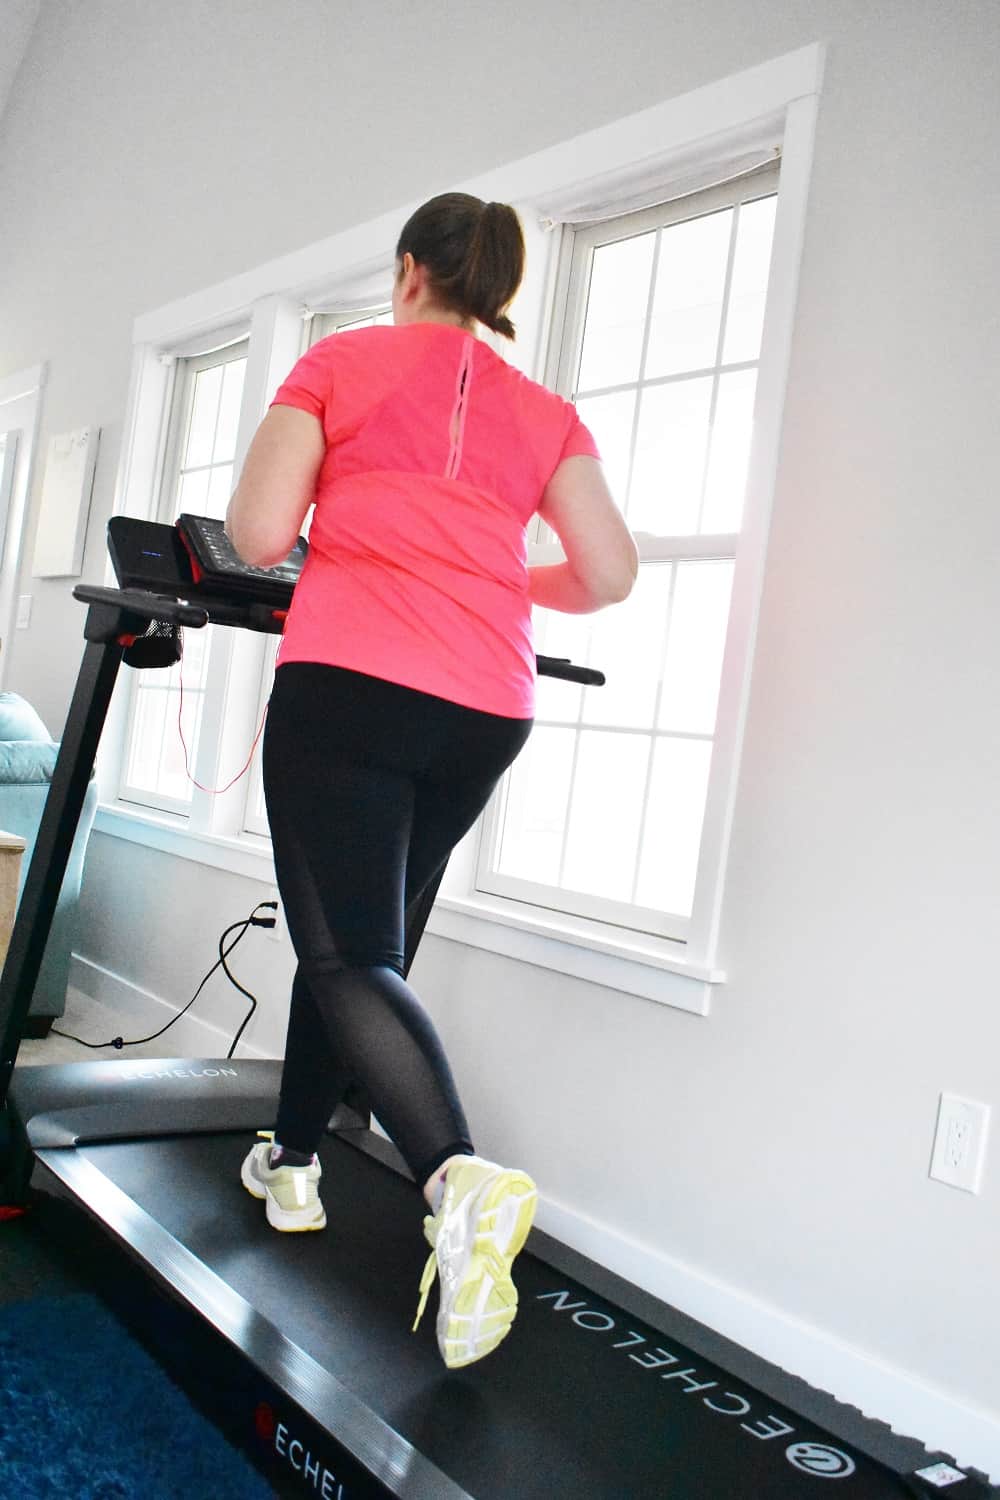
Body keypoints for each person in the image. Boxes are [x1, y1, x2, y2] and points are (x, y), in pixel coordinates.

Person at [226, 192, 637, 1370]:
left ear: (409, 269)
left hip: (353, 687)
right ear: (498, 286)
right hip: (485, 710)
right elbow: (608, 572)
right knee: (359, 950)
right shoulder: (546, 412)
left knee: (348, 955)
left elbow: (257, 535)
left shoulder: (341, 362)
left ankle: (456, 1179)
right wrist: (505, 581)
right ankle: (294, 1167)